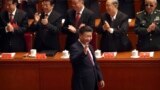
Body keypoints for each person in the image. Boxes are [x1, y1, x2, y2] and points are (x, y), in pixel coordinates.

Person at [69, 26, 105, 90]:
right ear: (80, 35)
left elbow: (95, 63)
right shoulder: (74, 47)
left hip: (93, 81)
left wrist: (100, 78)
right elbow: (74, 61)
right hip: (82, 84)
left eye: (90, 36)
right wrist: (83, 53)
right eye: (87, 36)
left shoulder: (90, 46)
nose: (89, 38)